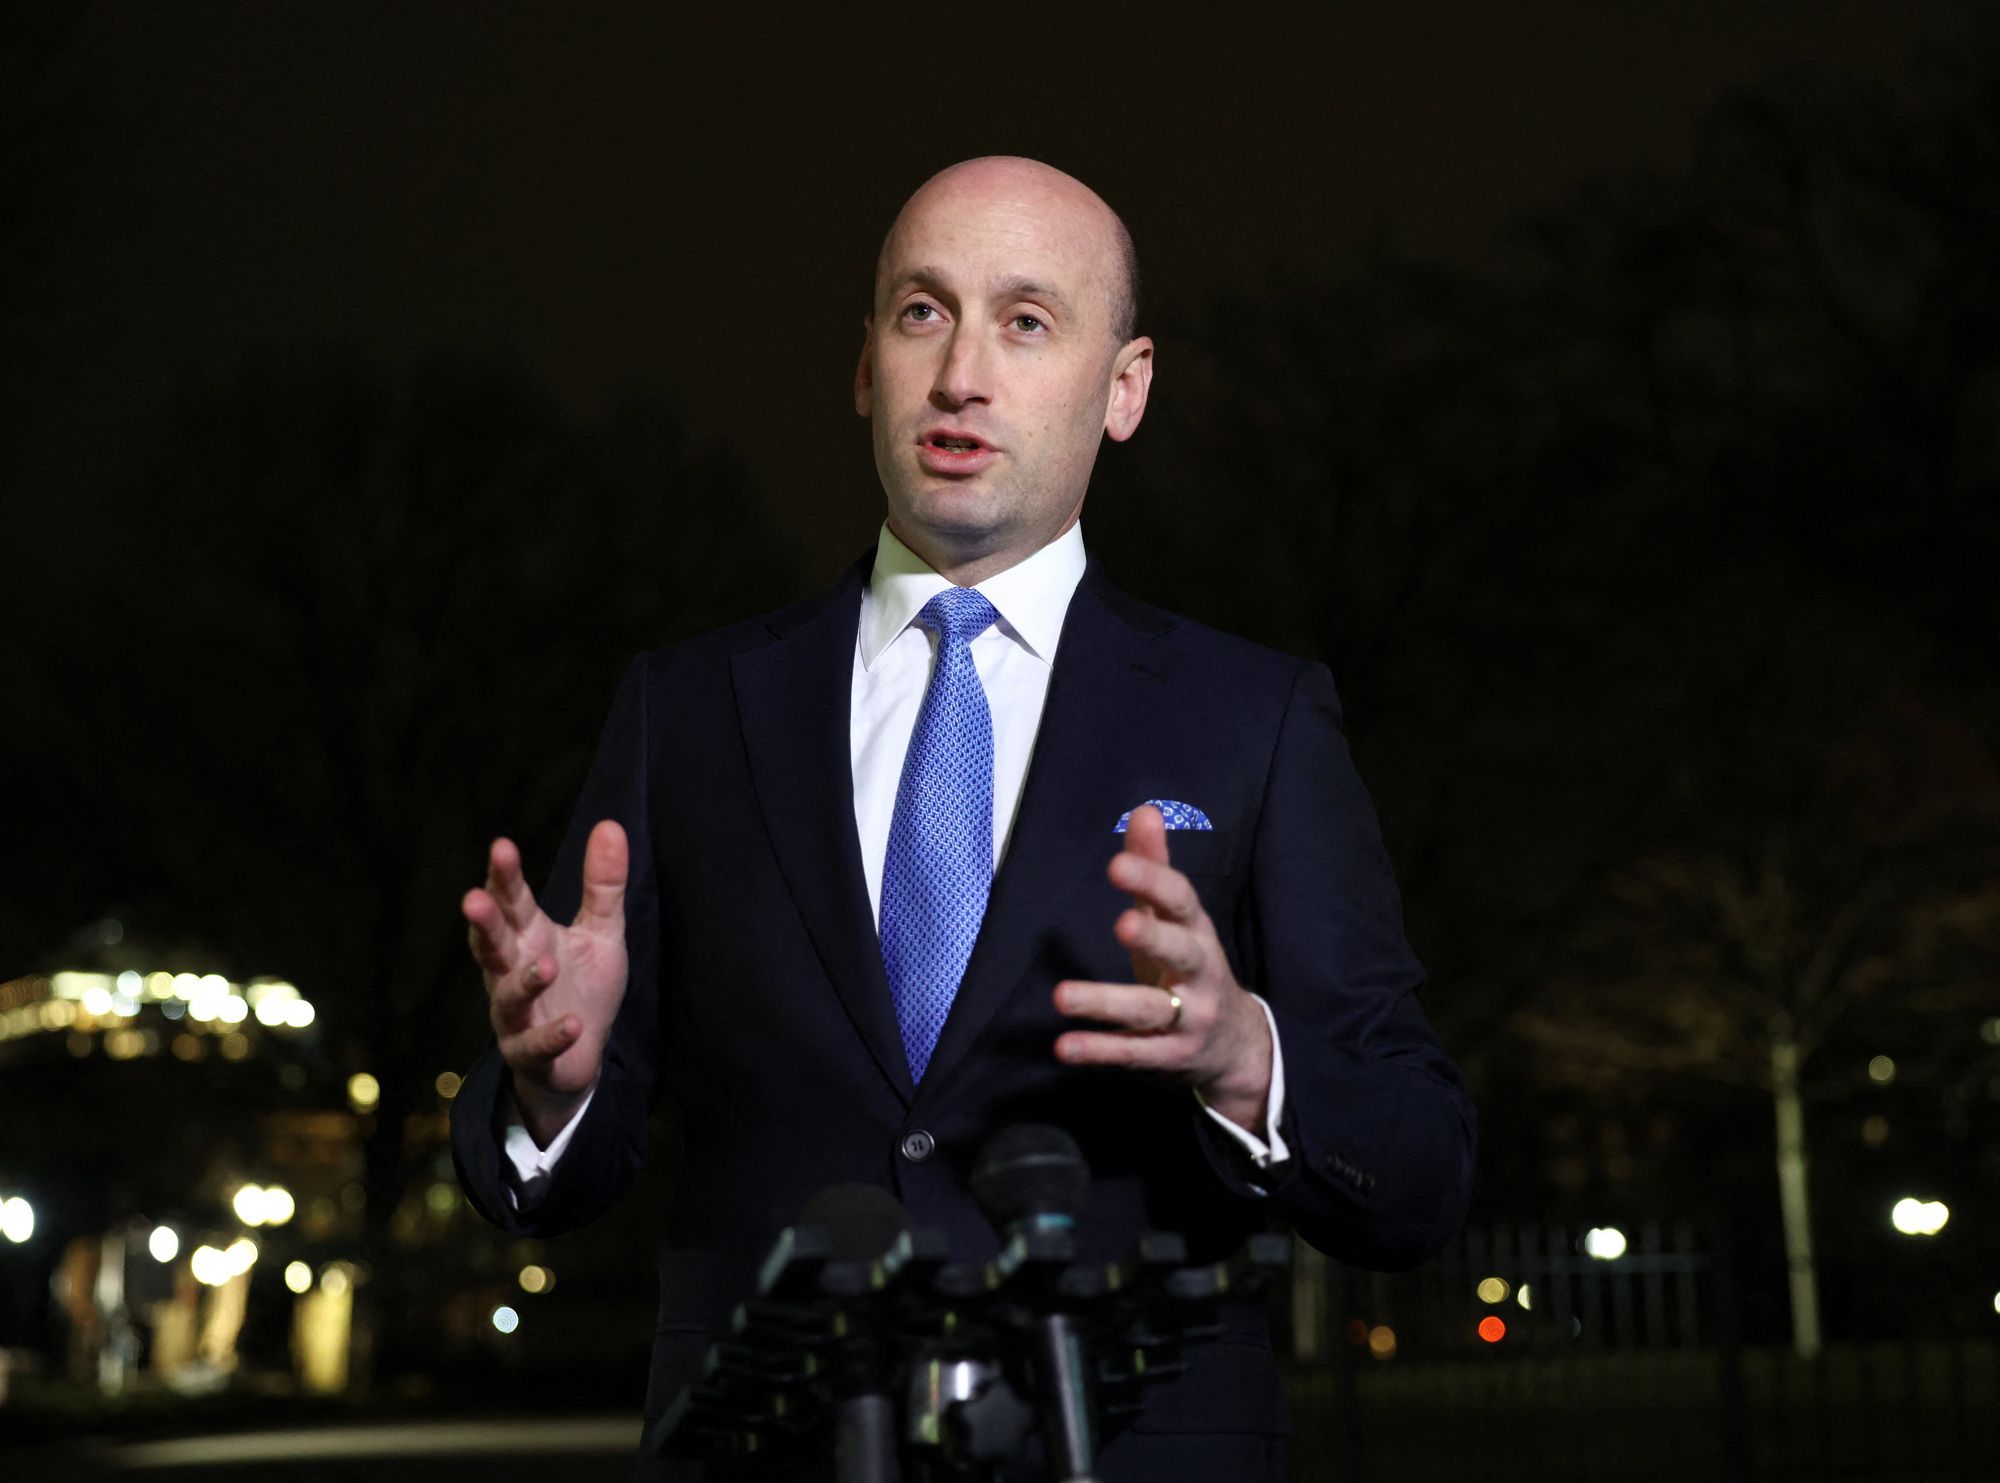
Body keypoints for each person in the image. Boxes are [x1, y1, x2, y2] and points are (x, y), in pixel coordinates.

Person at [451, 156, 1475, 1481]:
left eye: (1027, 320)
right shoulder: (689, 711)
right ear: (865, 365)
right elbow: (551, 1169)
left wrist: (1247, 1059)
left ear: (1126, 388)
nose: (963, 374)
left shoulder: (1256, 719)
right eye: (922, 312)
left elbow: (1421, 1168)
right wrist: (552, 1087)